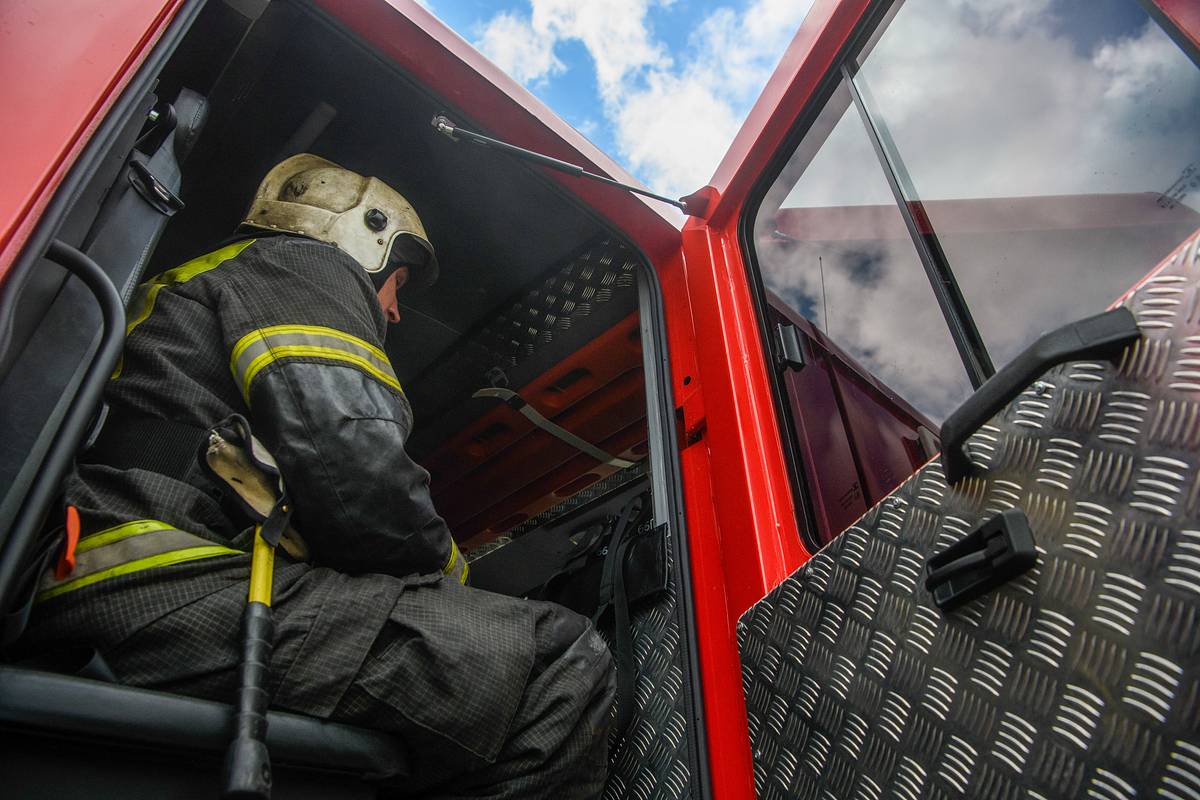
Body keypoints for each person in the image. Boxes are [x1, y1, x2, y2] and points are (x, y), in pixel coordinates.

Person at [27, 154, 616, 798]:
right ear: (366, 235)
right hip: (156, 579)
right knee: (556, 664)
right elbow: (353, 463)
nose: (394, 310)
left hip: (106, 565)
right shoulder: (305, 264)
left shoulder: (203, 281)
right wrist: (454, 581)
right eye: (396, 282)